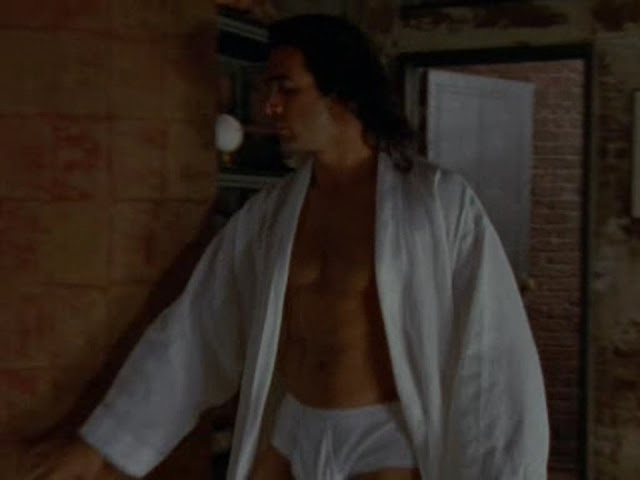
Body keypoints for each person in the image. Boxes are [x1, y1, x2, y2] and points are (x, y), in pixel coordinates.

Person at [29, 14, 549, 480]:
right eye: (266, 90)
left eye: (286, 89)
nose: (269, 106)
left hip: (383, 437)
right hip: (294, 428)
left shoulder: (436, 204)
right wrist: (100, 447)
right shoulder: (270, 216)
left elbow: (491, 352)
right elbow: (197, 329)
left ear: (342, 93)